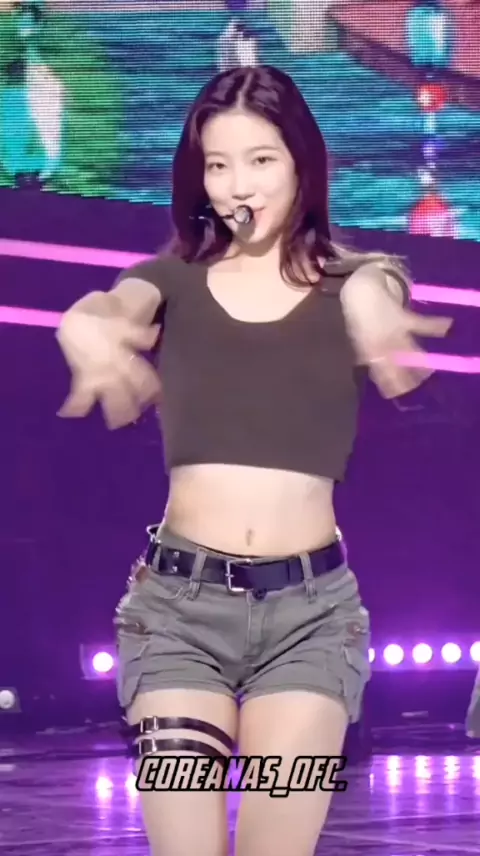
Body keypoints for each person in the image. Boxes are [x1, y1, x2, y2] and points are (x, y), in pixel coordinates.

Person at [55, 66, 452, 856]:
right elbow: (116, 306)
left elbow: (377, 284)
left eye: (261, 159)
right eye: (218, 163)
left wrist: (371, 303)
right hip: (178, 615)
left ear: (301, 161)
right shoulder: (171, 280)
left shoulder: (354, 280)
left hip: (311, 620)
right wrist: (88, 323)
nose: (239, 184)